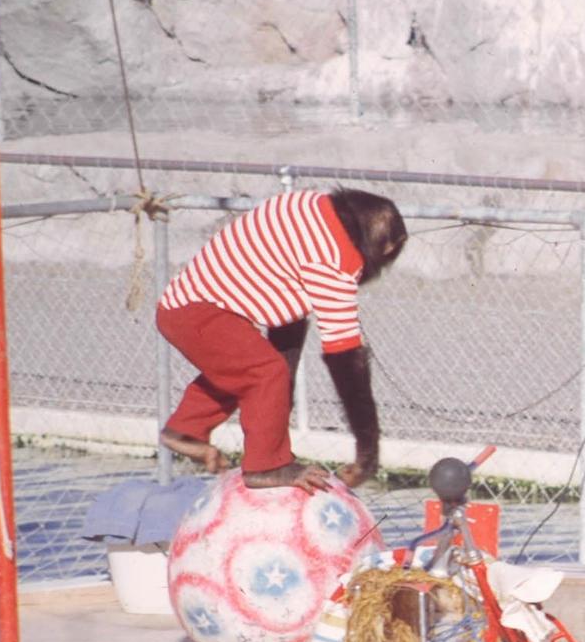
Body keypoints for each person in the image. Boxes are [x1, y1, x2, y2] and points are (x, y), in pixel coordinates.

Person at [156, 188, 406, 493]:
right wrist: (368, 454)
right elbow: (346, 361)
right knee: (265, 372)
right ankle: (265, 467)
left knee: (250, 369)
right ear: (387, 246)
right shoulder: (337, 260)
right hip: (198, 312)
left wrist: (276, 421)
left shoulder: (308, 205)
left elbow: (287, 322)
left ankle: (185, 431)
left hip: (186, 305)